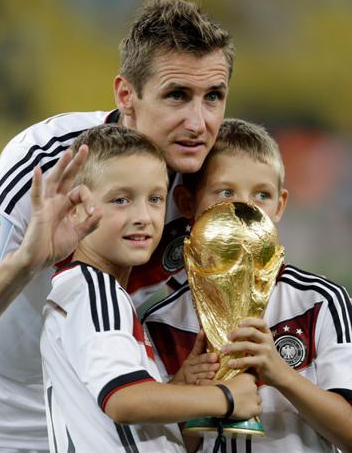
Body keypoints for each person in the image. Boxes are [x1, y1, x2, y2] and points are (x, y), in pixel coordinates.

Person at [0, 0, 352, 451]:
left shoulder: (211, 176)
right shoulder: (50, 159)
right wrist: (27, 263)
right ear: (127, 95)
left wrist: (306, 300)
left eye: (213, 97)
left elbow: (250, 271)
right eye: (177, 95)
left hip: (115, 393)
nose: (198, 122)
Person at [144, 118, 352, 452]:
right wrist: (185, 389)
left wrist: (280, 373)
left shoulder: (322, 301)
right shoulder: (161, 323)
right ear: (188, 203)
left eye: (261, 194)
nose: (244, 207)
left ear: (279, 205)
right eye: (225, 192)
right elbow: (165, 445)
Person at [39, 124, 262, 452]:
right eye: (121, 199)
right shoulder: (96, 293)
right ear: (75, 208)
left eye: (155, 199)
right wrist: (225, 398)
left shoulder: (88, 290)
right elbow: (123, 400)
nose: (143, 216)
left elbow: (121, 419)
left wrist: (179, 386)